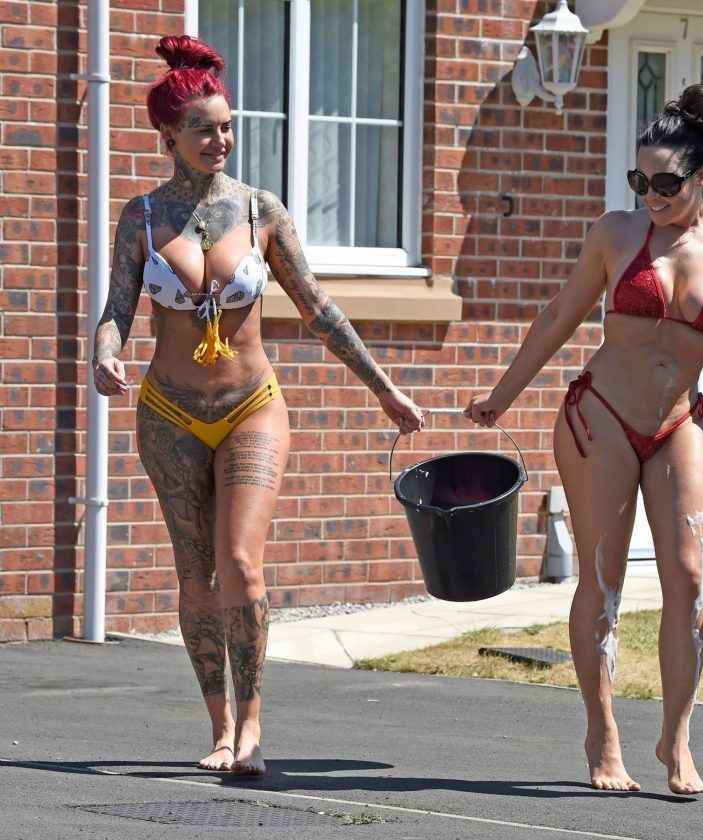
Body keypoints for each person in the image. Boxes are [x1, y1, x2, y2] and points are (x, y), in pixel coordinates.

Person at [465, 85, 703, 795]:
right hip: (601, 417)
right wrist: (501, 396)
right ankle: (602, 734)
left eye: (666, 184)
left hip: (679, 422)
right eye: (641, 181)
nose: (651, 196)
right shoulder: (615, 234)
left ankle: (676, 737)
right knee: (604, 579)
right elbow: (559, 315)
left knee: (690, 579)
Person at [91, 35, 423, 777]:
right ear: (168, 136)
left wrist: (384, 388)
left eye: (227, 127)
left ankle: (251, 722)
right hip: (170, 413)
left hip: (250, 405)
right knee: (196, 574)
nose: (220, 140)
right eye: (203, 129)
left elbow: (319, 308)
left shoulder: (260, 210)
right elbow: (116, 309)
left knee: (240, 561)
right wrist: (103, 353)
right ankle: (217, 726)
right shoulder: (142, 217)